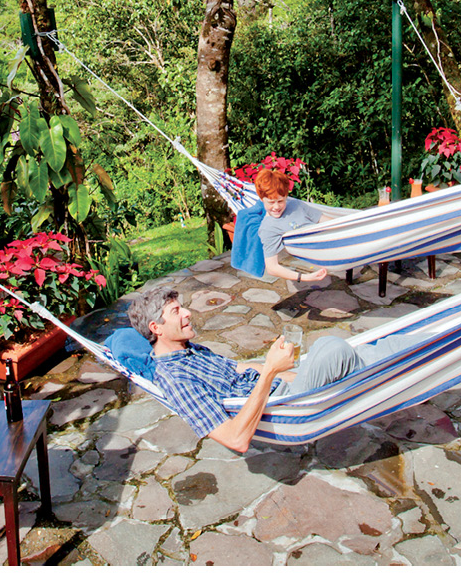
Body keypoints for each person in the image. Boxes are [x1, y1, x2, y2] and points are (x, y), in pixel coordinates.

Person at [127, 286, 421, 453]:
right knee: (333, 349)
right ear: (156, 328)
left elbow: (241, 368)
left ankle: (439, 340)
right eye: (177, 312)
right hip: (285, 410)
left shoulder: (190, 350)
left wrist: (287, 370)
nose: (189, 312)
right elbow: (235, 439)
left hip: (288, 392)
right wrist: (270, 371)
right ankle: (442, 343)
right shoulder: (176, 379)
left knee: (357, 354)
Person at [254, 168, 333, 283]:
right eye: (271, 202)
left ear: (286, 196)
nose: (276, 207)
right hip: (322, 251)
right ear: (262, 200)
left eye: (280, 201)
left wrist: (349, 225)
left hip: (332, 239)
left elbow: (324, 220)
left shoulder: (296, 205)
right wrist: (304, 277)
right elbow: (272, 268)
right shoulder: (268, 228)